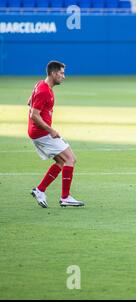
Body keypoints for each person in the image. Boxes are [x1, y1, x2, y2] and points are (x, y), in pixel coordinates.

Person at [28, 61, 84, 208]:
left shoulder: (41, 85)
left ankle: (40, 190)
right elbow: (34, 115)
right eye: (61, 73)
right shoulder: (44, 90)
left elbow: (30, 102)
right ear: (53, 73)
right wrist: (51, 130)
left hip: (37, 132)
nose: (63, 76)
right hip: (42, 133)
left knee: (61, 162)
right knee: (70, 158)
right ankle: (65, 197)